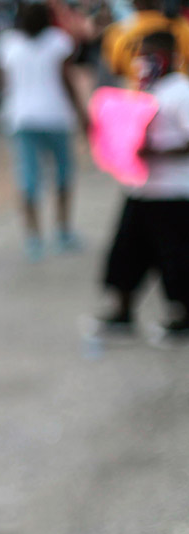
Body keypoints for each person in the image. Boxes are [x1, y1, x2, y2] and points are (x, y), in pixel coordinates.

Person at [89, 31, 189, 344]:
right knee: (126, 254)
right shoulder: (144, 90)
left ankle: (182, 317)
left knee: (177, 259)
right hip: (142, 189)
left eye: (152, 54)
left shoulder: (181, 92)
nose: (143, 61)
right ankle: (122, 312)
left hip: (172, 193)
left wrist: (157, 153)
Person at [0, 2, 90, 261]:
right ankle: (62, 231)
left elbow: (2, 80)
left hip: (21, 117)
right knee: (62, 175)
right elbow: (66, 80)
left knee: (28, 179)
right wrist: (82, 113)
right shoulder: (58, 41)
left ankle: (33, 237)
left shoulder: (8, 43)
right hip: (55, 116)